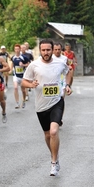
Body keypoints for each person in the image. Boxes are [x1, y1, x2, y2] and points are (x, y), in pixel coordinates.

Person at [21, 39, 73, 177]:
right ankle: (54, 154)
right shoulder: (34, 65)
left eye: (48, 50)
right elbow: (23, 82)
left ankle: (54, 162)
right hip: (41, 105)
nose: (46, 52)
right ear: (40, 50)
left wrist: (67, 85)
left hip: (57, 101)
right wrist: (31, 84)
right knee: (47, 135)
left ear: (52, 50)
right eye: (43, 50)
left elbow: (69, 71)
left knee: (54, 131)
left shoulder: (61, 62)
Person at [9, 44, 29, 109]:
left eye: (18, 49)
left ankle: (23, 101)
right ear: (14, 50)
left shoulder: (24, 57)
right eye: (15, 49)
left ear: (20, 49)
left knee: (23, 90)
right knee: (15, 87)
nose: (17, 50)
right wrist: (11, 69)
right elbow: (12, 63)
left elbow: (28, 64)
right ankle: (17, 103)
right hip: (16, 75)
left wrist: (23, 65)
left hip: (22, 76)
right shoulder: (13, 57)